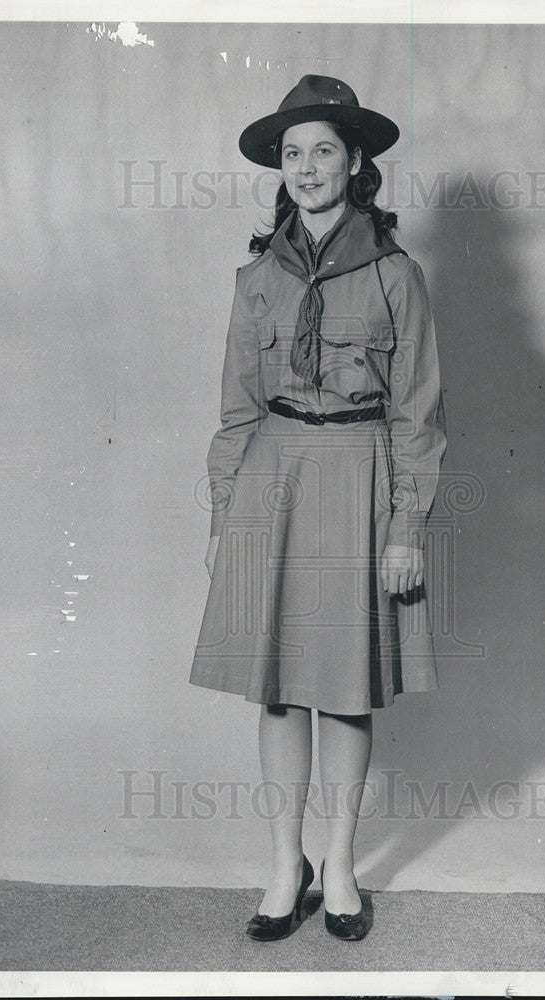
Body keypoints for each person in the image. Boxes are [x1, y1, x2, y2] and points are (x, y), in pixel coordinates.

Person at [190, 74, 447, 941]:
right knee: (276, 692)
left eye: (323, 151)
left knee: (341, 691)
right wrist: (226, 515)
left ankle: (337, 865)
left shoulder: (396, 276)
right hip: (273, 480)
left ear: (356, 161)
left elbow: (419, 414)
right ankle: (282, 864)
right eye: (292, 154)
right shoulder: (256, 277)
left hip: (359, 480)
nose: (306, 168)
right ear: (280, 168)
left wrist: (406, 526)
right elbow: (236, 409)